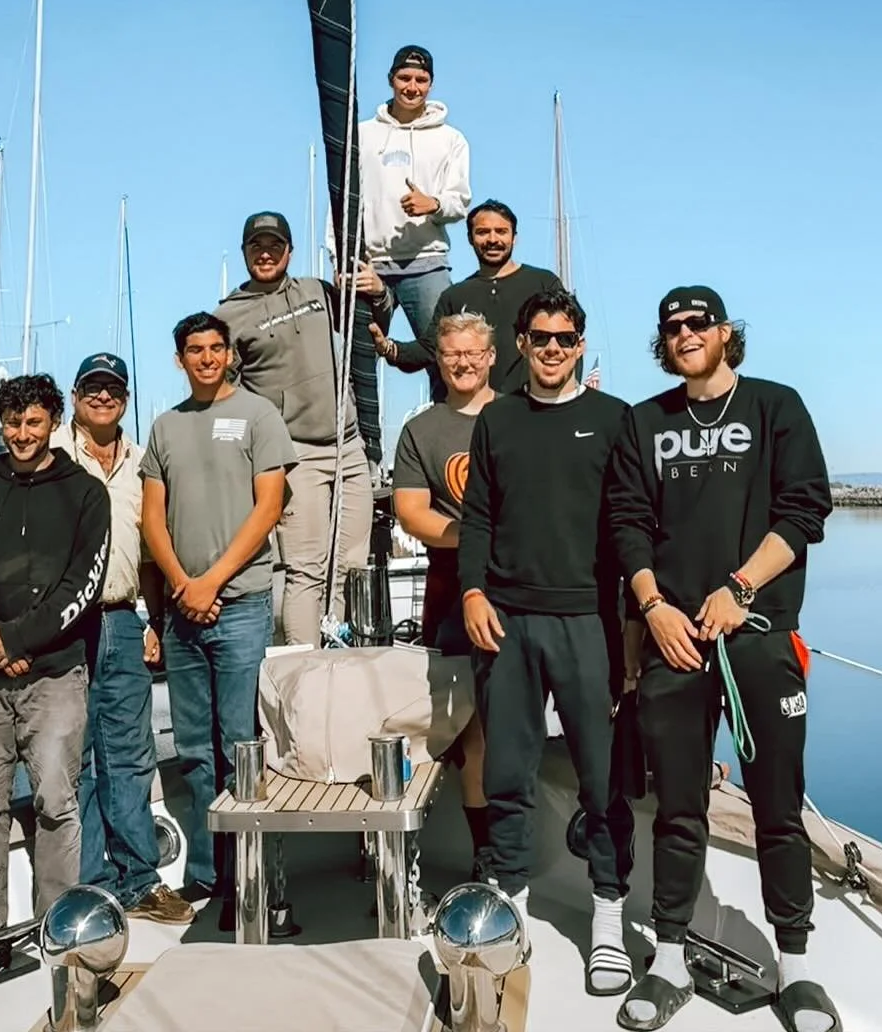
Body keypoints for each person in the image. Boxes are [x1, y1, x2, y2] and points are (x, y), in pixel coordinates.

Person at [607, 287, 838, 1032]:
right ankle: (669, 958)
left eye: (698, 323)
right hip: (675, 638)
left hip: (759, 635)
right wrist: (653, 607)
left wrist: (739, 587)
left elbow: (804, 511)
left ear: (726, 333)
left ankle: (796, 967)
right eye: (672, 327)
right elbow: (627, 526)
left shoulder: (777, 408)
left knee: (778, 806)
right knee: (678, 808)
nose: (684, 334)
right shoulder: (645, 422)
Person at [458, 288, 637, 996]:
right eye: (541, 338)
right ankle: (511, 912)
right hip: (507, 619)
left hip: (587, 620)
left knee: (602, 778)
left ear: (581, 344)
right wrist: (473, 591)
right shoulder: (498, 420)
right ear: (522, 344)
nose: (554, 348)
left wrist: (634, 618)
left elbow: (629, 526)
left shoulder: (613, 419)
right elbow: (477, 518)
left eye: (566, 338)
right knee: (508, 773)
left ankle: (608, 920)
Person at [0, 373, 110, 941]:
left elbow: (83, 584)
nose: (23, 433)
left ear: (54, 422)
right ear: (0, 425)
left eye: (34, 422)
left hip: (56, 674)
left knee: (57, 803)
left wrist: (19, 640)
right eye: (13, 423)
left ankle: (58, 924)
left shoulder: (85, 493)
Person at [140, 312, 296, 929]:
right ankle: (207, 870)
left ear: (230, 354)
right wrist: (183, 585)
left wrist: (212, 581)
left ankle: (247, 874)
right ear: (180, 359)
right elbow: (153, 518)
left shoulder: (259, 417)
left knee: (241, 748)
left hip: (240, 603)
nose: (206, 358)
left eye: (215, 349)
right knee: (195, 751)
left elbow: (270, 505)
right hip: (184, 611)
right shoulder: (165, 426)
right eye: (194, 351)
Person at [53, 352, 194, 925]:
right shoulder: (53, 456)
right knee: (76, 759)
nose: (103, 396)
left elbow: (154, 553)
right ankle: (93, 883)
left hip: (123, 619)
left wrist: (154, 620)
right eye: (93, 387)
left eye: (113, 387)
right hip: (66, 626)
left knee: (130, 757)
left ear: (126, 397)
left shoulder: (143, 463)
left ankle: (139, 879)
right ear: (75, 394)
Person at [216, 211, 390, 646]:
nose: (266, 254)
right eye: (256, 247)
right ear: (244, 254)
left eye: (275, 246)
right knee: (306, 568)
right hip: (297, 454)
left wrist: (381, 292)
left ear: (290, 251)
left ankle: (342, 653)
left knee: (352, 564)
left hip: (349, 445)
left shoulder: (317, 291)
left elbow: (373, 323)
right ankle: (303, 670)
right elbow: (225, 395)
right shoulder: (229, 316)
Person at [391, 310, 496, 880]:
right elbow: (411, 511)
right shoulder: (422, 430)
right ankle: (484, 851)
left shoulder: (517, 415)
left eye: (472, 353)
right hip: (449, 585)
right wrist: (474, 537)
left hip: (517, 584)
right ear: (439, 360)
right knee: (469, 727)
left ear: (491, 357)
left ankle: (518, 842)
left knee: (516, 719)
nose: (462, 362)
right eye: (451, 353)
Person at [350, 44, 472, 464]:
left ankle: (451, 451)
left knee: (446, 354)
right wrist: (340, 259)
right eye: (404, 78)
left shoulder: (451, 139)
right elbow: (342, 198)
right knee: (358, 360)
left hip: (427, 262)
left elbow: (461, 201)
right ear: (390, 80)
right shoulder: (363, 135)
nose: (412, 87)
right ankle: (363, 459)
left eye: (421, 80)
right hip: (372, 262)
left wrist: (433, 204)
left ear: (431, 84)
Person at [369, 199, 562, 398]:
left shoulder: (543, 284)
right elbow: (428, 349)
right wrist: (388, 348)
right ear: (470, 238)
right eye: (482, 232)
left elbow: (569, 340)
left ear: (515, 237)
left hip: (533, 409)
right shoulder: (455, 296)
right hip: (474, 416)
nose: (492, 239)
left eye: (501, 231)